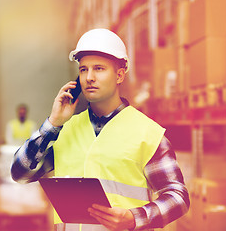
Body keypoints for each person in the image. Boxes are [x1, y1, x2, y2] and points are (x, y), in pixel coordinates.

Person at [11, 28, 190, 231]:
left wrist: (134, 218)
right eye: (83, 69)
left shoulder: (147, 134)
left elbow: (178, 197)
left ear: (120, 75)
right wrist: (52, 123)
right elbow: (20, 173)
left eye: (99, 68)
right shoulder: (65, 129)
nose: (89, 77)